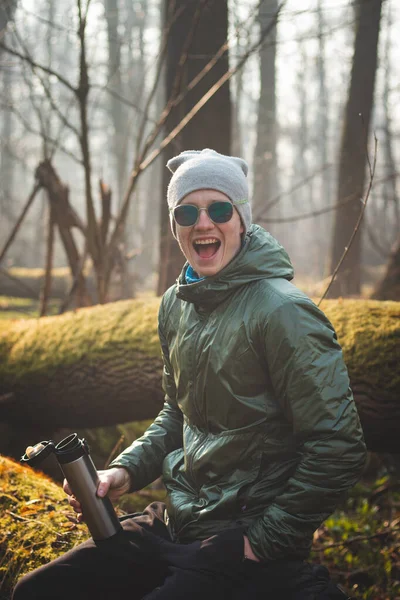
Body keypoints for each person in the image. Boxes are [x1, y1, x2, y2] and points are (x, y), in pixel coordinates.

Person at [13, 149, 366, 600]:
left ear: (242, 220)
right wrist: (124, 472)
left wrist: (262, 541)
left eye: (219, 209)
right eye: (187, 211)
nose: (203, 223)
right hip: (176, 521)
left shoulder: (283, 312)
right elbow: (176, 416)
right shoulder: (177, 304)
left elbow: (339, 446)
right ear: (175, 226)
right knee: (37, 590)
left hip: (242, 538)